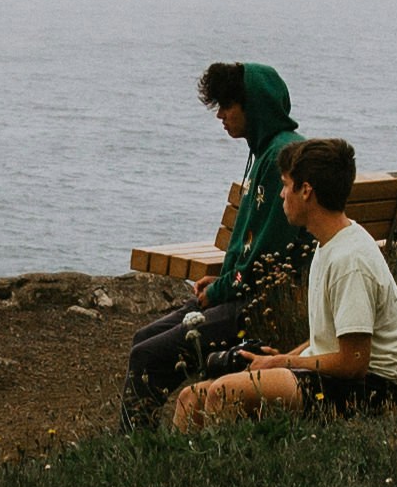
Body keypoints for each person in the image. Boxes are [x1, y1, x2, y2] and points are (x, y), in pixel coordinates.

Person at [171, 140, 397, 430]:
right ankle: (185, 471)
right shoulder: (328, 244)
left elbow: (354, 362)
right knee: (190, 397)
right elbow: (334, 336)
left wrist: (282, 364)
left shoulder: (351, 261)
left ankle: (224, 471)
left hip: (367, 389)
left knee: (224, 393)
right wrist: (288, 358)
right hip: (338, 378)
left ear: (306, 191)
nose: (282, 194)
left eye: (286, 185)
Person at [128, 60, 313, 403]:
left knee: (147, 357)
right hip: (243, 295)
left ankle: (140, 452)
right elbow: (254, 253)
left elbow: (268, 261)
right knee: (143, 339)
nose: (220, 115)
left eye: (227, 105)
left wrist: (221, 290)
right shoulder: (268, 152)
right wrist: (222, 282)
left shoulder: (279, 159)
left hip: (257, 307)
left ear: (253, 106)